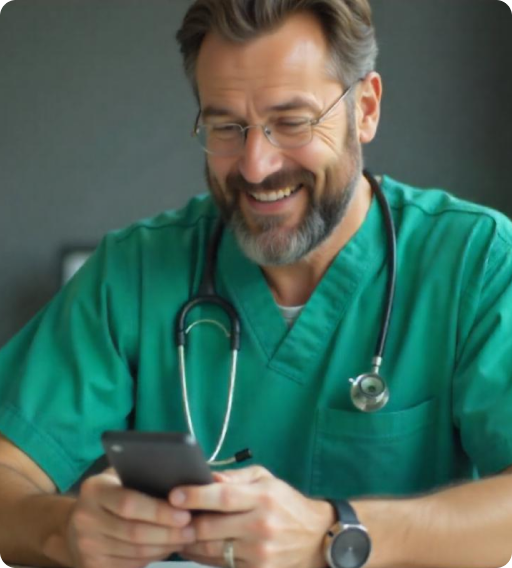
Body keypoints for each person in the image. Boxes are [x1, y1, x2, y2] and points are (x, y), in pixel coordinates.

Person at [1, 0, 512, 567]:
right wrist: (64, 529)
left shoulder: (477, 263)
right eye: (226, 126)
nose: (255, 165)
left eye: (291, 122)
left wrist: (339, 534)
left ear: (364, 109)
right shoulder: (136, 272)